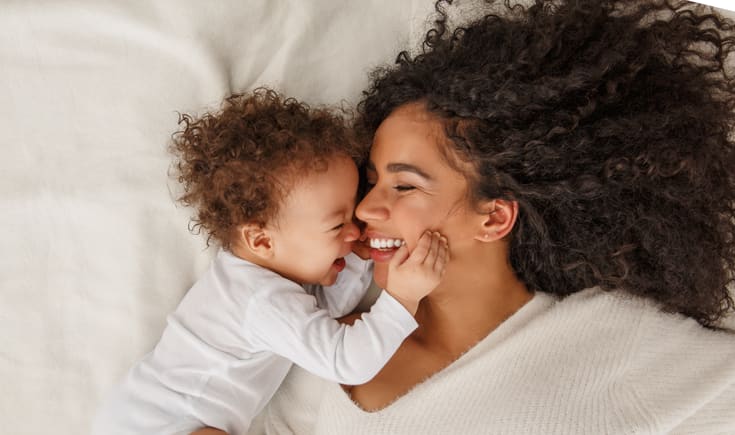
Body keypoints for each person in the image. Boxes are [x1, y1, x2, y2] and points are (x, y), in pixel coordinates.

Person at [238, 1, 735, 433]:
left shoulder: (610, 342)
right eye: (373, 181)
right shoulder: (329, 340)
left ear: (494, 218)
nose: (366, 208)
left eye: (404, 185)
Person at [92, 89, 449, 435]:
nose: (355, 232)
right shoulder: (260, 300)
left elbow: (321, 322)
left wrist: (357, 260)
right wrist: (403, 299)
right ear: (261, 239)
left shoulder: (261, 280)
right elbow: (345, 359)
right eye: (338, 225)